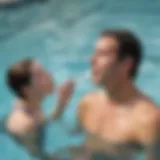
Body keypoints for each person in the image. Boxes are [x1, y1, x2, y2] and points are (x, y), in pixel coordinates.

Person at [67, 29, 160, 160]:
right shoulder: (87, 103)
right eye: (94, 53)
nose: (92, 60)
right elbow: (74, 136)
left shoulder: (148, 120)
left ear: (126, 64)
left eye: (102, 54)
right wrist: (60, 107)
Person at [5, 59, 74, 160]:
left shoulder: (30, 105)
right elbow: (37, 155)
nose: (49, 75)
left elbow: (44, 122)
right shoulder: (24, 124)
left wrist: (62, 102)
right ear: (27, 89)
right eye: (40, 75)